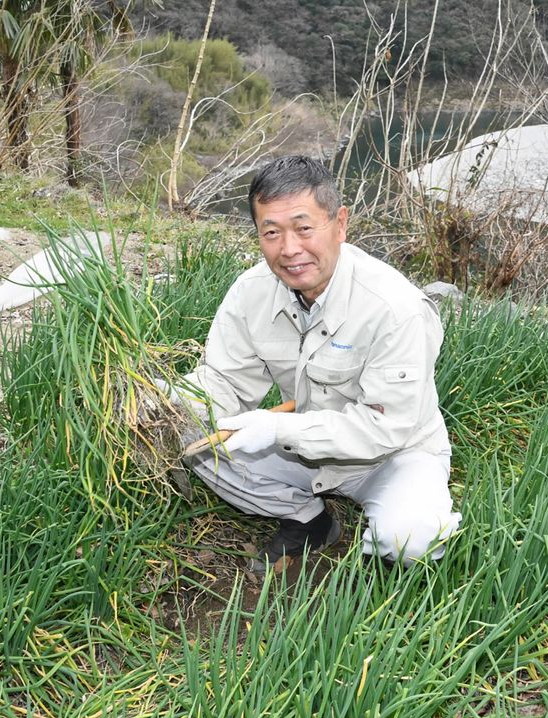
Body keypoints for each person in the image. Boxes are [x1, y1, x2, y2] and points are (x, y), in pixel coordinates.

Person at [177, 155, 459, 571]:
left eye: (304, 228)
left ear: (340, 223)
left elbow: (384, 428)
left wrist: (277, 428)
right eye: (271, 232)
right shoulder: (250, 292)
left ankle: (391, 531)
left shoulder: (396, 308)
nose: (289, 249)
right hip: (304, 449)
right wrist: (166, 406)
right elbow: (224, 380)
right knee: (192, 439)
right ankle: (307, 520)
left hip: (394, 454)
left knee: (409, 540)